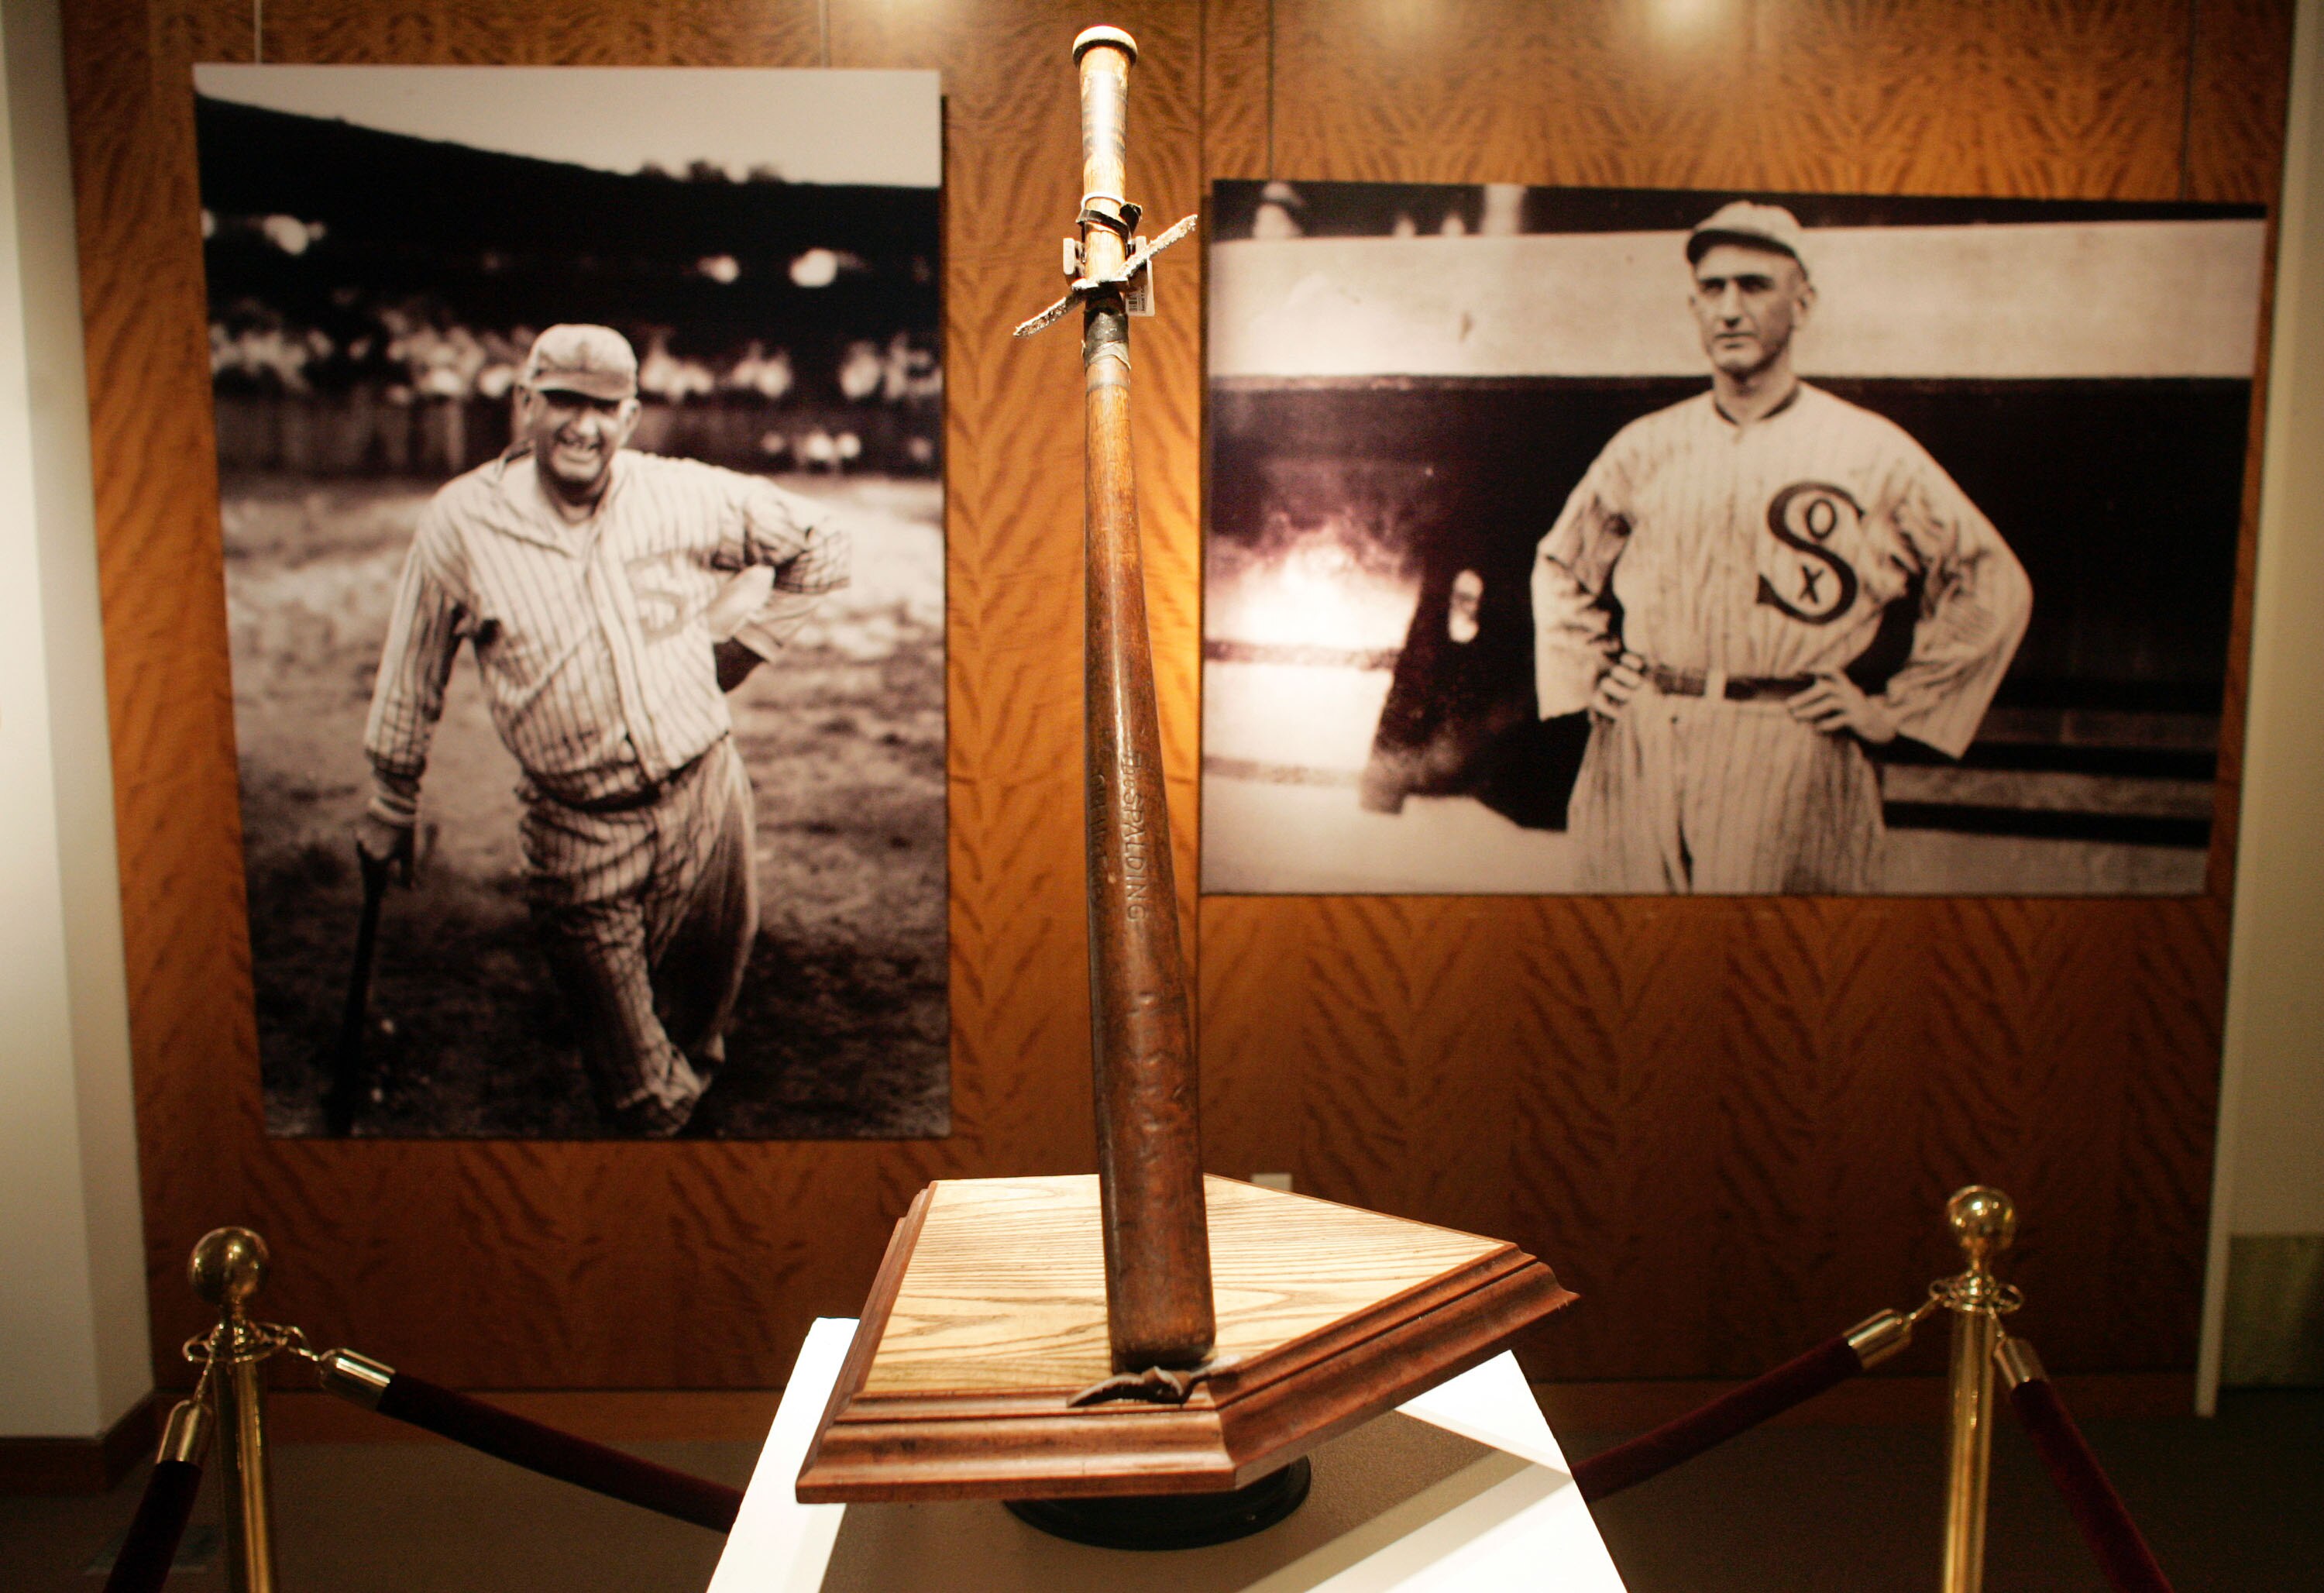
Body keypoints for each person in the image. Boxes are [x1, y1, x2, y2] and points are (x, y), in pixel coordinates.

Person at [356, 324, 848, 1134]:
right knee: (642, 1098)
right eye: (562, 402)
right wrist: (390, 798)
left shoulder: (681, 494)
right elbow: (415, 663)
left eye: (603, 407)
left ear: (631, 415)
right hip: (575, 830)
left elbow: (823, 545)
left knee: (695, 1031)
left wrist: (747, 649)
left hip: (709, 804)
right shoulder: (461, 524)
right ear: (525, 404)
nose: (582, 426)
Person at [1531, 202, 2031, 893]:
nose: (1730, 309)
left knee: (1772, 971)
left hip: (1791, 741)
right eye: (1713, 289)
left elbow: (1990, 579)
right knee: (1628, 962)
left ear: (1804, 303)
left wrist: (1893, 712)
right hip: (1640, 735)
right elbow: (1562, 562)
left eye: (1755, 286)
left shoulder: (1870, 449)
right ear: (1694, 304)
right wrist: (1588, 673)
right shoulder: (1646, 446)